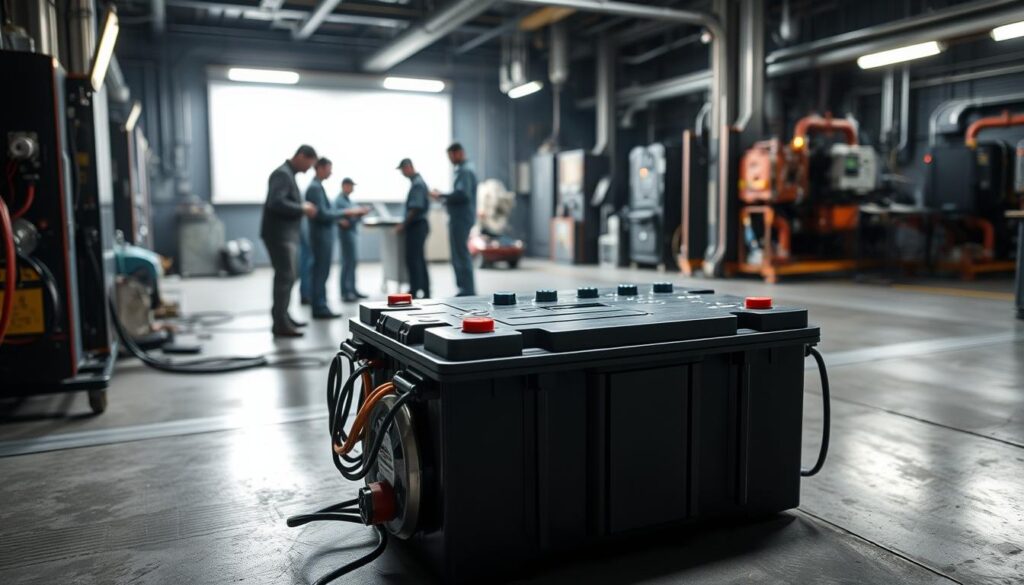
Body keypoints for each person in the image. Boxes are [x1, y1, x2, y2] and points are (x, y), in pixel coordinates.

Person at [260, 145, 319, 337]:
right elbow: (276, 202)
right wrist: (302, 208)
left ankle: (283, 316)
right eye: (309, 164)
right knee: (285, 277)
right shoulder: (283, 175)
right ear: (301, 156)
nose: (309, 169)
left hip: (285, 235)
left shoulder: (288, 174)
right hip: (280, 235)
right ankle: (280, 323)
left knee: (289, 276)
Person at [430, 142, 477, 296]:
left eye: (451, 155)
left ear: (459, 153)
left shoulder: (464, 171)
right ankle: (464, 288)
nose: (450, 159)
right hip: (460, 217)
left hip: (461, 218)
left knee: (460, 253)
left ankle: (467, 290)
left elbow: (463, 194)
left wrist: (442, 195)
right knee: (459, 253)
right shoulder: (462, 170)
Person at [305, 158, 349, 319]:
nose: (331, 172)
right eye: (329, 169)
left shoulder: (317, 187)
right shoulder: (315, 188)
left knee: (320, 271)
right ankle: (319, 307)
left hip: (322, 235)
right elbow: (322, 214)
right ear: (321, 168)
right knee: (320, 272)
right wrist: (345, 213)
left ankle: (320, 304)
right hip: (321, 236)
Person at [396, 158, 430, 299]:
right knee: (419, 260)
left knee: (413, 260)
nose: (403, 173)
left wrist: (404, 224)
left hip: (416, 226)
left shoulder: (417, 184)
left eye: (403, 170)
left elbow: (416, 208)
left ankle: (415, 291)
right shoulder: (417, 182)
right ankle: (424, 290)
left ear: (409, 167)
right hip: (418, 226)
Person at [335, 177, 371, 302]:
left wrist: (360, 212)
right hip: (346, 234)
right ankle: (346, 292)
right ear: (344, 186)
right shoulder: (339, 200)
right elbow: (339, 216)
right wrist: (356, 213)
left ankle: (352, 289)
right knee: (347, 262)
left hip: (352, 232)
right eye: (350, 186)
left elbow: (353, 213)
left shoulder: (347, 200)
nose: (352, 189)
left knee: (352, 262)